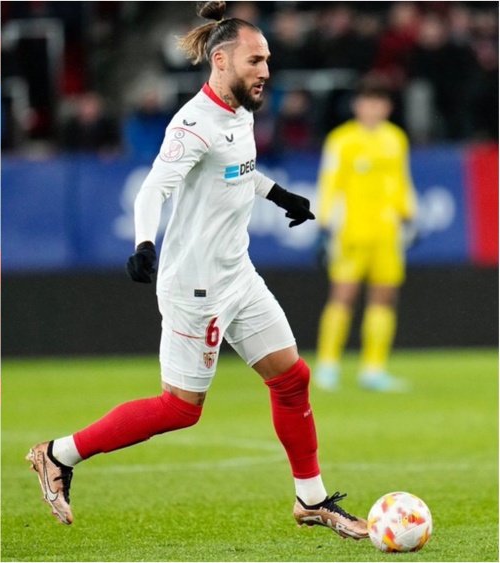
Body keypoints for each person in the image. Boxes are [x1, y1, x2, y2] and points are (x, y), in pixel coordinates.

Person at [26, 0, 369, 540]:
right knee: (180, 409)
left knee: (291, 378)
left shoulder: (240, 112)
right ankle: (57, 454)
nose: (266, 71)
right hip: (196, 286)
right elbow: (153, 188)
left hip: (238, 274)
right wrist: (143, 243)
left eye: (268, 60)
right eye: (256, 60)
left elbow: (239, 171)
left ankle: (311, 499)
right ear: (221, 61)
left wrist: (280, 195)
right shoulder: (192, 124)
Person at [314, 81, 418, 392]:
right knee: (343, 295)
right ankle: (328, 365)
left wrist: (409, 214)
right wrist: (323, 223)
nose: (373, 109)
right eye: (367, 102)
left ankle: (373, 369)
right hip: (352, 231)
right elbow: (329, 181)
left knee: (384, 297)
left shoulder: (396, 139)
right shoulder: (342, 140)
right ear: (357, 106)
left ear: (387, 107)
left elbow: (401, 180)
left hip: (387, 232)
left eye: (379, 103)